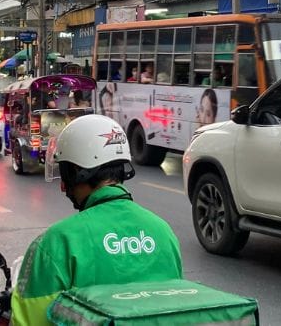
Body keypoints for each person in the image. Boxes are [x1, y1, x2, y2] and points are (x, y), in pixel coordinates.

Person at [10, 114, 182, 325]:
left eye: (64, 171)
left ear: (75, 172)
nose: (63, 186)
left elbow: (29, 321)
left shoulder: (57, 243)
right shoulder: (163, 232)